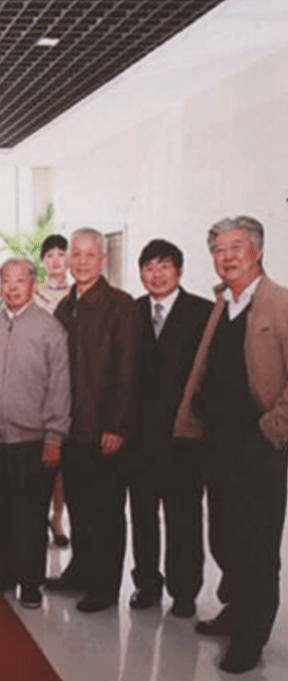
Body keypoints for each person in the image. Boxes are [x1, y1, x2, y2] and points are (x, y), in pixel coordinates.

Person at [174, 216, 288, 674]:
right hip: (217, 442)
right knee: (224, 536)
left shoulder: (280, 303)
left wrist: (272, 427)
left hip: (259, 446)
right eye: (219, 249)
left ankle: (251, 637)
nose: (227, 257)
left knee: (257, 545)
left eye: (236, 247)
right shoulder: (223, 303)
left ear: (258, 251)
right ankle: (236, 609)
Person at [45, 227, 138, 613]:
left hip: (104, 428)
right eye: (76, 255)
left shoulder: (121, 305)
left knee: (107, 512)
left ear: (103, 259)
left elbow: (127, 370)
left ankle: (104, 586)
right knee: (80, 507)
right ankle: (80, 573)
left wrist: (117, 425)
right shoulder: (65, 307)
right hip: (72, 427)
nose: (81, 262)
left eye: (90, 255)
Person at [0, 257, 70, 609]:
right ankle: (1, 574)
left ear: (33, 285)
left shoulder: (50, 330)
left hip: (34, 440)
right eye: (6, 280)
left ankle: (31, 582)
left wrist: (54, 437)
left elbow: (60, 387)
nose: (12, 288)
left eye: (19, 281)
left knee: (29, 515)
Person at [127, 239, 211, 618]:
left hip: (184, 440)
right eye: (149, 267)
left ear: (179, 270)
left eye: (164, 266)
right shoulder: (132, 312)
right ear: (141, 273)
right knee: (143, 516)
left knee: (184, 518)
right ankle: (146, 583)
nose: (156, 274)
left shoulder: (203, 313)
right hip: (140, 439)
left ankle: (185, 590)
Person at [33, 233, 70, 547]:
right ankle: (38, 515)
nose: (56, 261)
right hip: (38, 385)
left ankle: (58, 518)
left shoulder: (79, 293)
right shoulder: (35, 296)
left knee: (63, 462)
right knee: (40, 457)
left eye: (61, 254)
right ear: (42, 261)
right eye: (50, 255)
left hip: (71, 382)